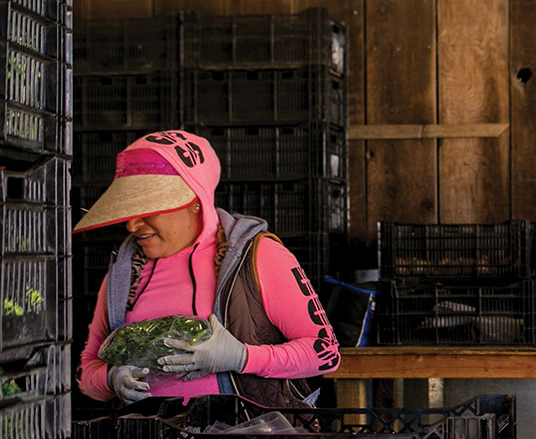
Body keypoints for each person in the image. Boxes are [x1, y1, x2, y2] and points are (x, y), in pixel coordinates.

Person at [74, 130, 340, 406]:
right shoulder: (124, 270)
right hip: (147, 433)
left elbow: (326, 353)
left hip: (245, 432)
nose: (132, 225)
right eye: (129, 211)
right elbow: (87, 370)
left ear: (194, 200)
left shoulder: (257, 255)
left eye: (148, 209)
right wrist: (110, 378)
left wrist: (243, 358)